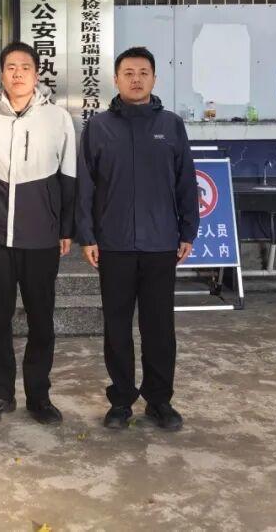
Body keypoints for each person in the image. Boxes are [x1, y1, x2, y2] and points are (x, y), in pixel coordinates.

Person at [76, 46, 198, 432]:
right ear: (116, 79)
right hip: (114, 244)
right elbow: (86, 186)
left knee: (159, 327)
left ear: (154, 79)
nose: (136, 79)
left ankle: (160, 401)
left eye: (143, 72)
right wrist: (87, 235)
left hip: (161, 242)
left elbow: (186, 180)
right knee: (116, 327)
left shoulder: (171, 126)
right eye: (128, 73)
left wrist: (188, 230)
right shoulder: (98, 127)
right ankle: (121, 401)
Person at [0, 41, 76, 426]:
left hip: (41, 236)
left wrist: (66, 227)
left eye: (25, 67)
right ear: (1, 74)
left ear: (36, 73)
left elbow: (69, 176)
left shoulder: (57, 118)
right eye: (10, 67)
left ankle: (39, 396)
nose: (17, 73)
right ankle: (0, 394)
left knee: (40, 319)